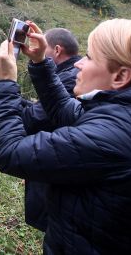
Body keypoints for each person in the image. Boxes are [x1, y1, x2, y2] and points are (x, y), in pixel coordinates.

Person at [0, 19, 131, 254]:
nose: (79, 64)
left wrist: (5, 83)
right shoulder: (128, 117)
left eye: (90, 57)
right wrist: (41, 62)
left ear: (121, 76)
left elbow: (10, 153)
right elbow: (65, 110)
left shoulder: (115, 137)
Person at [21, 28, 81, 232]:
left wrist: (6, 89)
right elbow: (43, 109)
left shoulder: (72, 77)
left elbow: (35, 119)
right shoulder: (66, 73)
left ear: (56, 50)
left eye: (43, 48)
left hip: (55, 172)